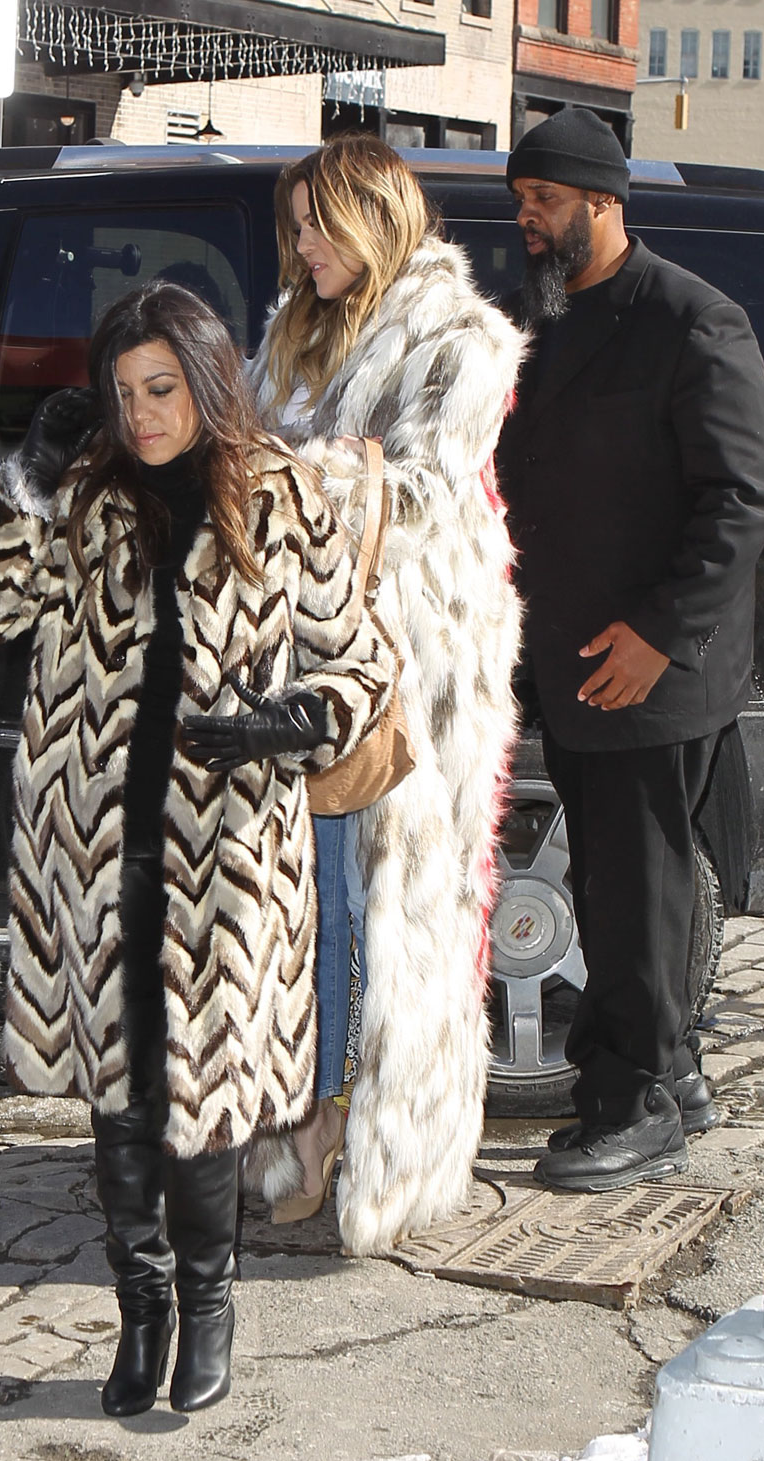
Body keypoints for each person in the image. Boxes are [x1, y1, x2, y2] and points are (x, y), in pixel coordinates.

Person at [0, 282, 395, 1414]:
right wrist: (26, 486)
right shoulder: (84, 499)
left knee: (202, 1096)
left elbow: (364, 658)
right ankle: (139, 1311)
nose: (143, 414)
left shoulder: (285, 494)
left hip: (227, 855)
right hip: (90, 851)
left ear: (207, 378)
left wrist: (295, 720)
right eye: (124, 391)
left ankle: (211, 1302)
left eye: (163, 388)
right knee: (123, 1094)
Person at [496, 107, 764, 1191]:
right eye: (523, 203)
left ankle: (634, 1104)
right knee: (631, 891)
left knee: (634, 896)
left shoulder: (691, 319)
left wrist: (661, 634)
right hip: (568, 661)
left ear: (605, 203)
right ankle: (679, 1074)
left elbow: (743, 494)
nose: (528, 220)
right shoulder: (548, 314)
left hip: (650, 668)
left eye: (547, 202)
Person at [246, 134, 524, 1251]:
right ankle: (301, 1127)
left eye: (318, 223)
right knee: (302, 907)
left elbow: (419, 486)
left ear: (374, 216)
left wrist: (287, 479)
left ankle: (389, 1142)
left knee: (394, 915)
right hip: (295, 657)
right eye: (296, 227)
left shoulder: (466, 341)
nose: (303, 245)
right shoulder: (292, 330)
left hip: (412, 662)